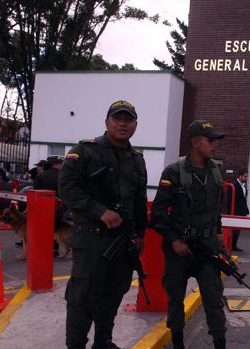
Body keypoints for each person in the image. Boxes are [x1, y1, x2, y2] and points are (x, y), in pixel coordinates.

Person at [59, 100, 147, 349]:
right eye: (117, 118)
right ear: (106, 122)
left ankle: (103, 342)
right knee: (83, 296)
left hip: (123, 241)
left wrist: (140, 233)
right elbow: (66, 187)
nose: (123, 123)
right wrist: (99, 211)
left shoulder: (137, 159)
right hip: (92, 238)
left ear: (135, 125)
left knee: (113, 293)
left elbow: (139, 202)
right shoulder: (86, 151)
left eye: (128, 119)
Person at [150, 120, 227, 349]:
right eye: (209, 140)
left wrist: (219, 237)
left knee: (214, 300)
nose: (215, 145)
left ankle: (220, 343)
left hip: (207, 248)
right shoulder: (173, 172)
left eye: (216, 140)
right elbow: (158, 214)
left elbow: (216, 211)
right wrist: (174, 241)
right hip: (179, 249)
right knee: (175, 299)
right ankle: (178, 344)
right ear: (194, 142)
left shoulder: (215, 171)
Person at [34, 155, 65, 257]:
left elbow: (35, 192)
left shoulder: (40, 176)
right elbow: (65, 192)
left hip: (42, 207)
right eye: (61, 163)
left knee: (43, 229)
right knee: (55, 229)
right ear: (55, 164)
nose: (62, 165)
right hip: (57, 208)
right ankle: (54, 250)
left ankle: (42, 249)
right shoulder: (62, 175)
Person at [229, 168, 249, 251]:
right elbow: (230, 200)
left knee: (238, 230)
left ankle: (233, 246)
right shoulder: (234, 185)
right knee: (234, 230)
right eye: (245, 176)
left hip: (241, 212)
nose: (246, 178)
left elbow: (243, 199)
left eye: (247, 176)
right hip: (235, 212)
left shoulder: (243, 186)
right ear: (240, 176)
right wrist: (231, 213)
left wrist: (245, 210)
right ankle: (231, 246)